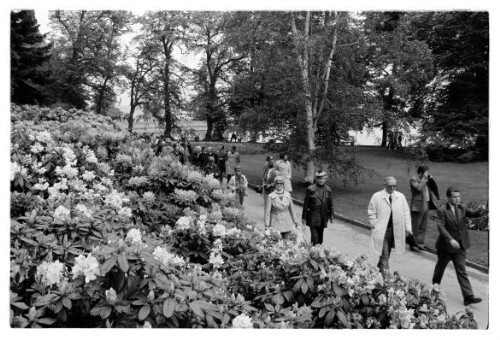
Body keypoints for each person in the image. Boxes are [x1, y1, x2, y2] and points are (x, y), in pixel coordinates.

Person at [431, 187, 486, 306]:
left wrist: (480, 210)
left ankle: (468, 296)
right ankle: (434, 291)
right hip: (445, 247)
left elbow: (474, 214)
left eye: (458, 196)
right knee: (440, 270)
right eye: (454, 197)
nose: (457, 199)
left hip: (460, 247)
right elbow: (441, 227)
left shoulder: (462, 207)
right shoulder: (442, 210)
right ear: (449, 198)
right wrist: (450, 240)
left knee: (462, 270)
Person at [367, 176, 412, 276]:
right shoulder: (377, 196)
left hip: (395, 230)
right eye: (390, 186)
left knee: (387, 254)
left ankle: (378, 272)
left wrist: (408, 228)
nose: (392, 188)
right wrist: (374, 224)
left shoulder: (400, 197)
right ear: (385, 185)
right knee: (385, 255)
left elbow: (406, 213)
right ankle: (385, 277)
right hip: (382, 230)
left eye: (394, 186)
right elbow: (371, 212)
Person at [410, 165, 440, 252]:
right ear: (421, 172)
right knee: (415, 226)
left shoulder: (426, 179)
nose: (428, 173)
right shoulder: (414, 179)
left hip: (426, 204)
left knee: (423, 226)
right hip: (418, 205)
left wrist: (431, 179)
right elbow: (418, 188)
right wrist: (424, 178)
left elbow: (433, 187)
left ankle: (420, 243)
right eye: (426, 171)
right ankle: (413, 244)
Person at [301, 171, 334, 246]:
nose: (321, 180)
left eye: (322, 178)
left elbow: (331, 203)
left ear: (325, 178)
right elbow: (305, 204)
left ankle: (317, 253)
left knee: (320, 239)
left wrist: (331, 215)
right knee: (315, 239)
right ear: (316, 179)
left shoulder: (328, 189)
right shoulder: (310, 189)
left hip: (323, 217)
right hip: (312, 216)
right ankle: (314, 253)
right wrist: (303, 217)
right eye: (319, 178)